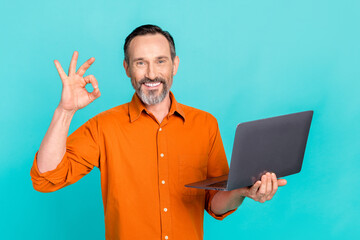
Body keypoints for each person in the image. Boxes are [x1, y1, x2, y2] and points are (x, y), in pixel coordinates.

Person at [30, 24, 287, 240]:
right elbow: (46, 178)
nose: (151, 74)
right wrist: (65, 111)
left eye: (160, 61)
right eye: (140, 63)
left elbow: (214, 202)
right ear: (127, 68)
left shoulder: (205, 124)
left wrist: (241, 192)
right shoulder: (104, 127)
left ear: (175, 65)